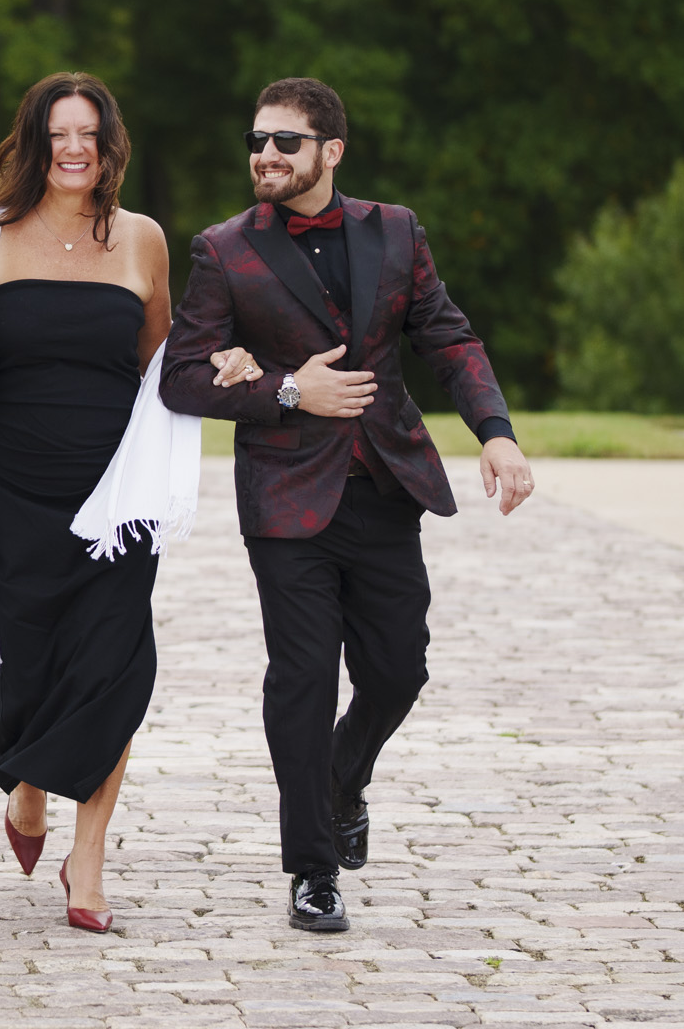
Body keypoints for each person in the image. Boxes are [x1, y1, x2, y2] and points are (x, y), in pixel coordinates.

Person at [158, 77, 535, 933]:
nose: (266, 154)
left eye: (286, 141)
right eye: (257, 139)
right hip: (286, 498)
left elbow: (448, 334)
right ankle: (312, 868)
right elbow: (183, 377)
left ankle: (342, 777)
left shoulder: (395, 230)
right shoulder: (225, 250)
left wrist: (497, 432)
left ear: (330, 151)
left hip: (384, 489)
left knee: (400, 669)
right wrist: (291, 390)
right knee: (301, 679)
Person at [0, 74, 212, 932]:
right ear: (33, 145)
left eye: (90, 134)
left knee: (114, 666)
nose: (75, 149)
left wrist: (231, 368)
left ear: (112, 146)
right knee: (33, 667)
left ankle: (90, 858)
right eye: (59, 134)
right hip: (15, 489)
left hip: (118, 493)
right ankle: (28, 786)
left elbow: (159, 368)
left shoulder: (143, 239)